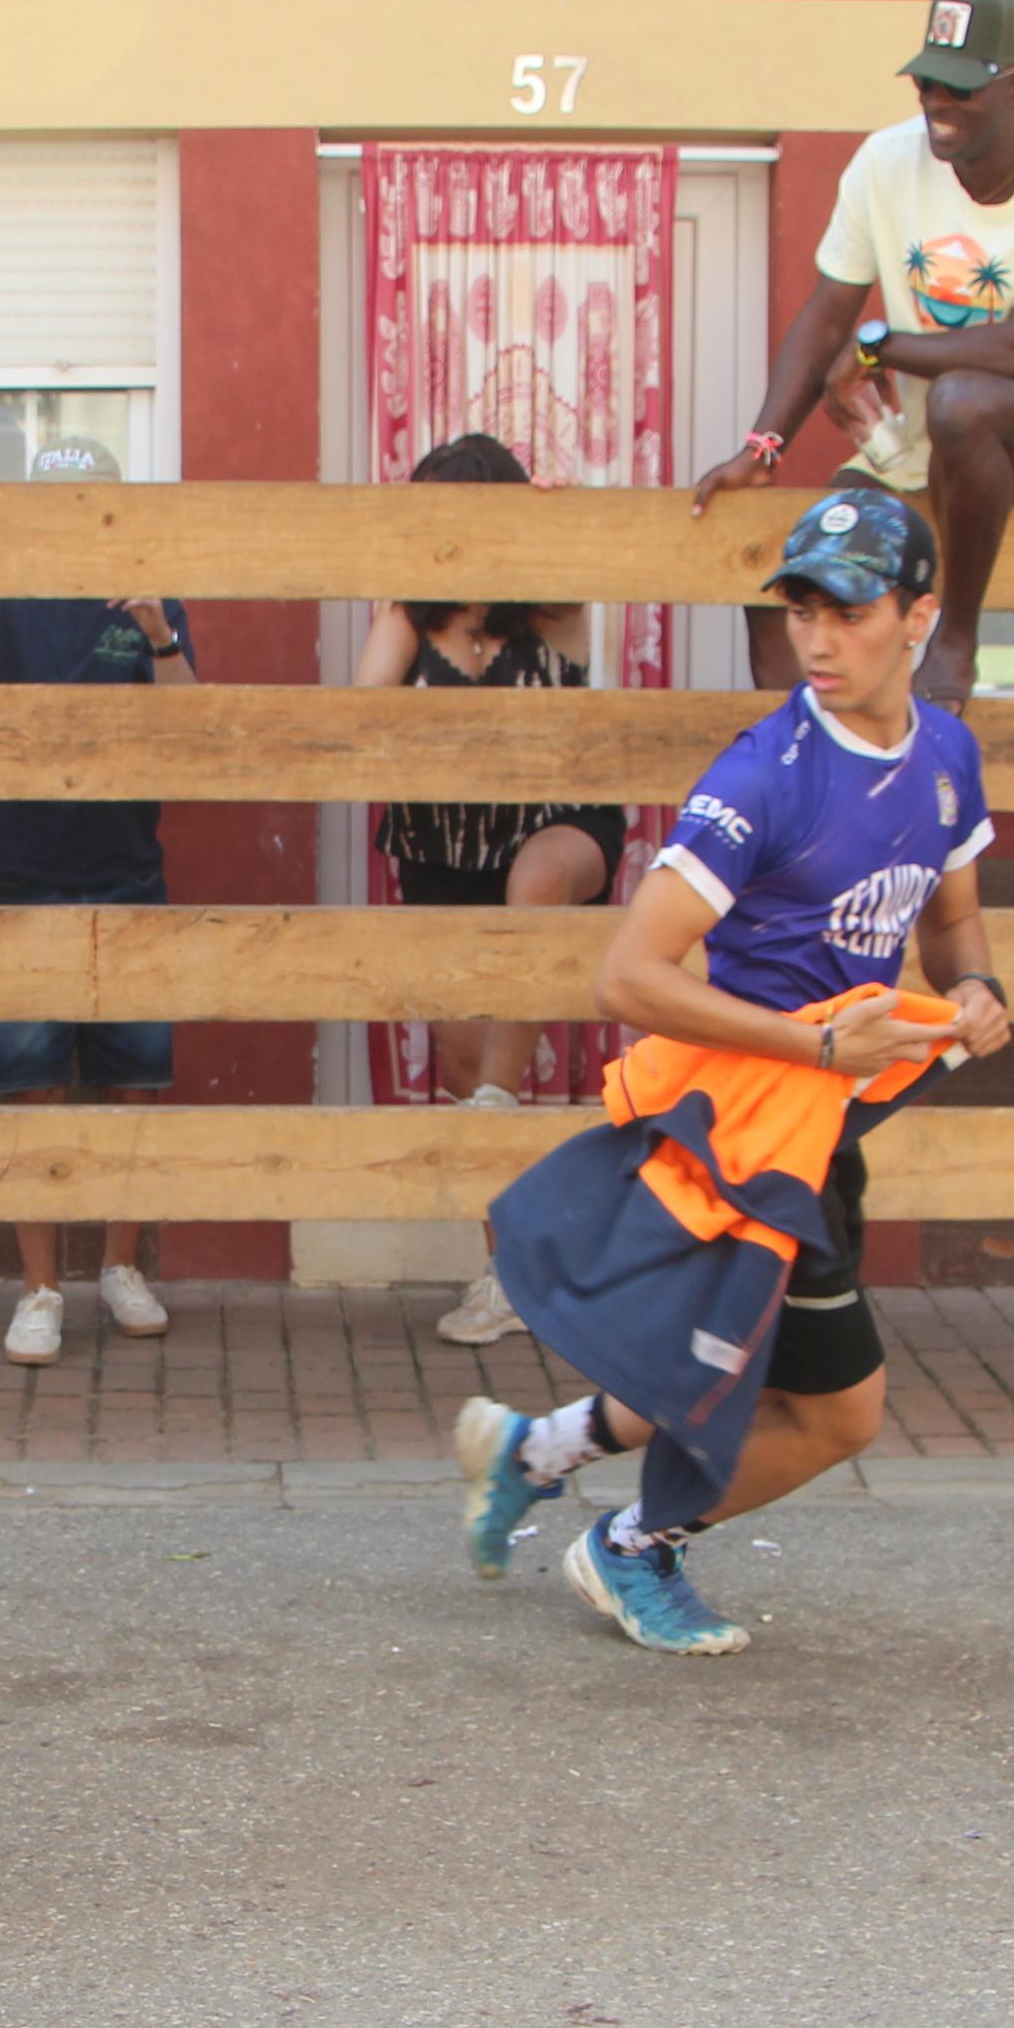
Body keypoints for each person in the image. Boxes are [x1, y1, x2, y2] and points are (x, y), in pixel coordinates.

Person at [450, 489, 1014, 1657]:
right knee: (837, 1413)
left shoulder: (945, 757)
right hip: (743, 1138)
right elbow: (626, 977)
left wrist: (976, 989)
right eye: (801, 610)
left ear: (917, 616)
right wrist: (819, 1047)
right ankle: (628, 1546)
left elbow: (952, 921)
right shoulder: (762, 777)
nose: (816, 639)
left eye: (847, 611)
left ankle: (529, 1452)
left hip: (820, 1128)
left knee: (722, 1358)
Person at [686, 0, 1014, 704]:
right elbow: (828, 313)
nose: (936, 102)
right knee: (790, 570)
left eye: (961, 88)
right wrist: (762, 447)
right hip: (927, 439)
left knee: (965, 400)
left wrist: (878, 348)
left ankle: (956, 642)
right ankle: (810, 751)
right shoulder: (884, 161)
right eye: (926, 82)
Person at [0, 433, 194, 1365]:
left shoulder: (145, 589)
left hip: (125, 867)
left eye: (86, 505)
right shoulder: (4, 591)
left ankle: (120, 1265)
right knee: (26, 1086)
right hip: (16, 867)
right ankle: (39, 1287)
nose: (70, 522)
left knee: (131, 1086)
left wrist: (158, 632)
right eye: (53, 504)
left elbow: (193, 720)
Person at [352, 431, 629, 1346]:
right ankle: (506, 1277)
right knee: (462, 1067)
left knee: (535, 881)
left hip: (554, 822)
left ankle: (501, 1099)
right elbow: (362, 711)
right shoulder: (408, 612)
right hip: (438, 848)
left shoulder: (550, 608)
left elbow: (589, 559)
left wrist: (555, 513)